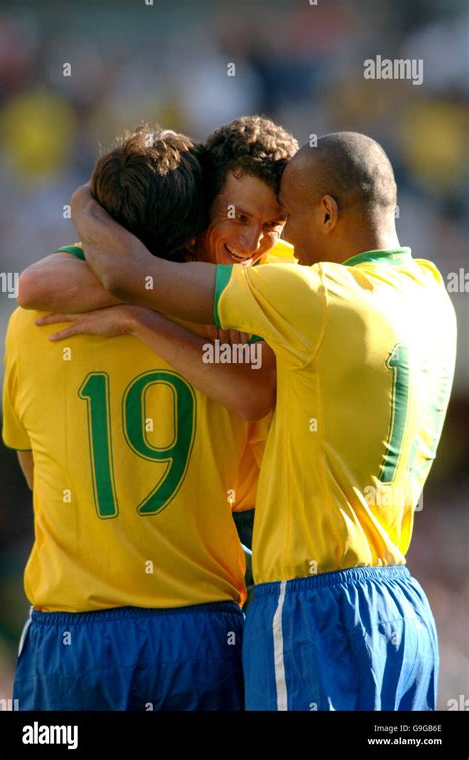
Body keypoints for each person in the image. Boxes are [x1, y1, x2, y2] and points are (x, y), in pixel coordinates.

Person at [45, 131, 457, 711]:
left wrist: (87, 198)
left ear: (328, 212)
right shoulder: (432, 294)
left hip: (316, 608)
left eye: (286, 221)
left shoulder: (316, 296)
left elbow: (125, 272)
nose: (280, 245)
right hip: (403, 612)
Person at [2, 124, 275, 711]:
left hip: (71, 637)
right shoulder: (232, 317)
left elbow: (32, 466)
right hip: (198, 631)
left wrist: (84, 203)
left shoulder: (32, 321)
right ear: (194, 226)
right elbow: (251, 482)